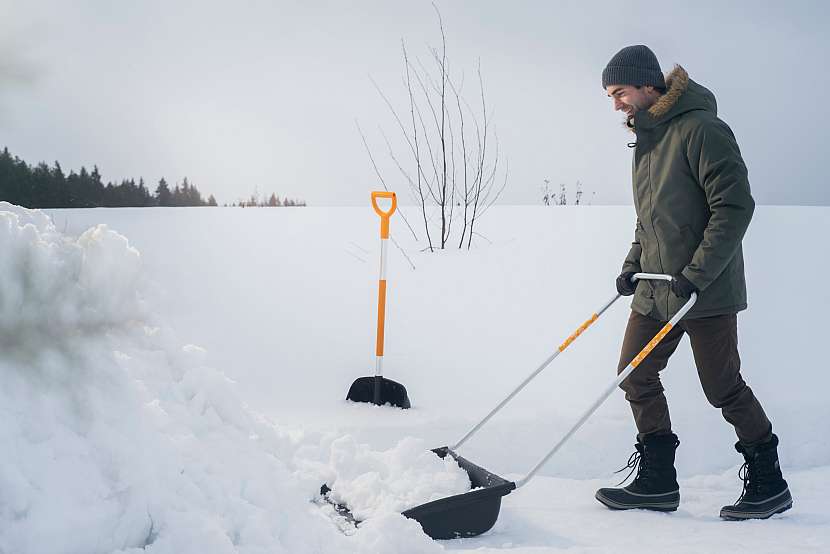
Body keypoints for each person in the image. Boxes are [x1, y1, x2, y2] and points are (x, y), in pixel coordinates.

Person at [593, 45, 792, 520]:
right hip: (656, 286)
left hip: (704, 289)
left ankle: (769, 481)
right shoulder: (646, 141)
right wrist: (631, 264)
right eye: (611, 96)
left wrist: (695, 275)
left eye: (619, 93)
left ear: (647, 85)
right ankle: (658, 482)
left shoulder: (703, 130)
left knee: (722, 387)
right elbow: (650, 220)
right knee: (634, 374)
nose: (616, 104)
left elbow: (734, 207)